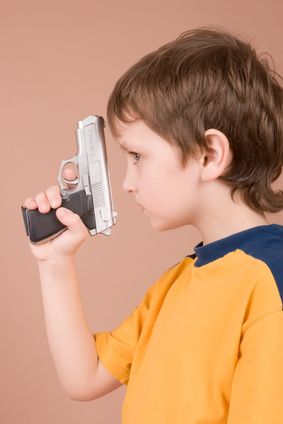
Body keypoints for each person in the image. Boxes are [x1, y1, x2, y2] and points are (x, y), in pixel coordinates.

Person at [23, 26, 283, 423]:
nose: (127, 183)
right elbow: (85, 377)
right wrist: (54, 263)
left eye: (138, 156)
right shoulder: (175, 282)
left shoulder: (269, 281)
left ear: (210, 155)